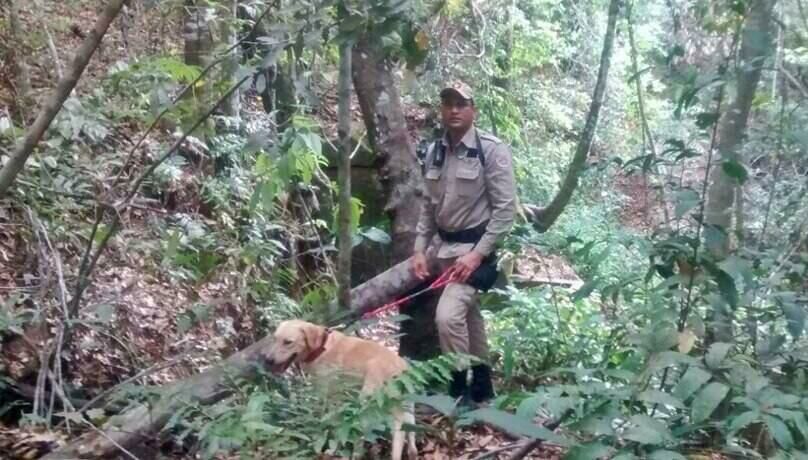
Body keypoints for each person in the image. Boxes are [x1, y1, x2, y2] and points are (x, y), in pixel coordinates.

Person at [412, 81, 517, 404]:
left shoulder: (492, 150)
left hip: (475, 255)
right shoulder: (434, 151)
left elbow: (505, 211)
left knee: (447, 316)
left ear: (474, 109)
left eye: (461, 103)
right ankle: (483, 388)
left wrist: (476, 256)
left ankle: (459, 389)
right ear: (441, 109)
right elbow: (429, 206)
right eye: (448, 103)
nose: (454, 109)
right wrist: (419, 248)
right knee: (469, 319)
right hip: (444, 252)